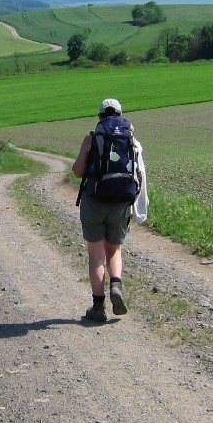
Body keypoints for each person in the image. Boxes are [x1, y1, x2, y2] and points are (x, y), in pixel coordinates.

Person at [71, 98, 148, 323]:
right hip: (121, 201)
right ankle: (116, 284)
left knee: (96, 255)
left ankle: (98, 307)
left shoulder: (92, 137)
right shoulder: (131, 139)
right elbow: (139, 174)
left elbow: (77, 171)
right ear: (121, 115)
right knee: (114, 250)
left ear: (100, 117)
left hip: (94, 200)